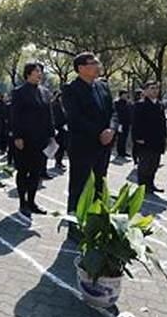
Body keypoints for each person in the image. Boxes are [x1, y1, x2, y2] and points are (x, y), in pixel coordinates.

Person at [62, 53, 116, 214]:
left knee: (100, 184)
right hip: (83, 145)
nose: (97, 66)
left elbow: (113, 112)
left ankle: (96, 222)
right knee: (80, 186)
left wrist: (111, 129)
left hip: (104, 145)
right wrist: (99, 132)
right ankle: (75, 225)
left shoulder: (102, 86)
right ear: (81, 68)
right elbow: (75, 118)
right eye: (93, 63)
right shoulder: (71, 89)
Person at [11, 63, 54, 217]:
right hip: (24, 139)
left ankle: (32, 201)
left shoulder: (45, 92)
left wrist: (51, 135)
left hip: (41, 139)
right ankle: (22, 202)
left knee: (36, 172)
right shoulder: (19, 92)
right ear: (28, 74)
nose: (39, 74)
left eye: (40, 71)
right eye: (36, 71)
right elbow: (15, 116)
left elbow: (49, 115)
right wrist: (17, 136)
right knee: (23, 171)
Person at [131, 81, 167, 193]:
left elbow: (163, 123)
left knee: (154, 164)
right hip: (145, 140)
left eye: (156, 88)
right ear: (145, 91)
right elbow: (136, 123)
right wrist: (138, 138)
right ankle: (143, 186)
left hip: (157, 140)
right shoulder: (140, 105)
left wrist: (165, 138)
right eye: (152, 88)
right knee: (145, 164)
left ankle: (151, 184)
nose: (155, 90)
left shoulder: (160, 105)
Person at [51, 90, 68, 171]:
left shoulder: (64, 105)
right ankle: (58, 162)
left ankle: (60, 161)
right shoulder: (55, 105)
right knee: (58, 146)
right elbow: (56, 118)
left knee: (63, 146)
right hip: (58, 128)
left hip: (64, 129)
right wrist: (61, 125)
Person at [114, 90, 132, 159]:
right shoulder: (117, 103)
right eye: (124, 94)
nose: (126, 96)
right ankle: (119, 152)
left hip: (126, 123)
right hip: (120, 123)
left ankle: (124, 151)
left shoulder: (127, 102)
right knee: (120, 137)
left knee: (125, 137)